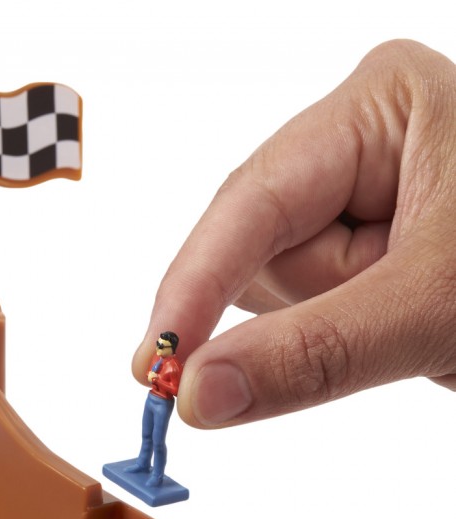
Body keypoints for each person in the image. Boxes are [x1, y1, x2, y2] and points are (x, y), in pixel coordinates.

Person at [132, 39, 456, 429]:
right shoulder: (163, 364)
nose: (163, 347)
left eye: (164, 344)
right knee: (151, 439)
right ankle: (145, 461)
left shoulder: (169, 366)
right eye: (163, 345)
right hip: (158, 401)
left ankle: (150, 463)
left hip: (162, 399)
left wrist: (314, 356)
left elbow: (167, 380)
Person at [126, 332, 182, 486]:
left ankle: (157, 475)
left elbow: (176, 390)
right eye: (157, 344)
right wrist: (150, 376)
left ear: (171, 348)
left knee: (158, 441)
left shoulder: (174, 367)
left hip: (163, 403)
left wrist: (157, 380)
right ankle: (142, 463)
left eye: (161, 346)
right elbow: (150, 373)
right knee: (146, 435)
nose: (158, 348)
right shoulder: (156, 358)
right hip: (151, 398)